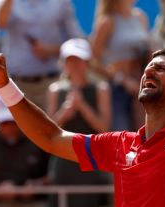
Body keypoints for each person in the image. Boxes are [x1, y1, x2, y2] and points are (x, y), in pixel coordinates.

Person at [0, 5, 165, 206]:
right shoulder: (119, 144)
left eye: (160, 69)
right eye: (147, 69)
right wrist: (4, 86)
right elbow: (51, 137)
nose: (148, 73)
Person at [46, 38, 112, 207]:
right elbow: (48, 130)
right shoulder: (55, 90)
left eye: (78, 59)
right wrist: (65, 112)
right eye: (70, 60)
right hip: (63, 160)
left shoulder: (101, 89)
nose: (74, 64)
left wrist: (82, 106)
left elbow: (104, 128)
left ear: (87, 62)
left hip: (92, 159)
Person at [0, 0, 83, 109]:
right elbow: (0, 23)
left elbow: (76, 42)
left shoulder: (61, 2)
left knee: (52, 125)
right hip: (17, 85)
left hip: (51, 83)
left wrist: (50, 50)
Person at [90, 0, 151, 131]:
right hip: (117, 91)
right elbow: (93, 61)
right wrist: (122, 80)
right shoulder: (106, 22)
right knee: (121, 138)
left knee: (146, 137)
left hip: (142, 88)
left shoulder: (141, 17)